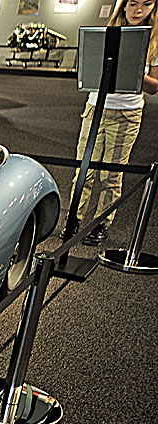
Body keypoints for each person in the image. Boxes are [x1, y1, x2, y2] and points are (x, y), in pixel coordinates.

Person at [69, 0, 158, 245]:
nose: (138, 10)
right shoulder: (108, 35)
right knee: (83, 171)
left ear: (154, 8)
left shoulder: (153, 43)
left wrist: (135, 71)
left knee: (111, 175)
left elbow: (154, 87)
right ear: (123, 6)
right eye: (133, 3)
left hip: (126, 114)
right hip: (95, 108)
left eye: (146, 4)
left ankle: (101, 224)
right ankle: (73, 219)